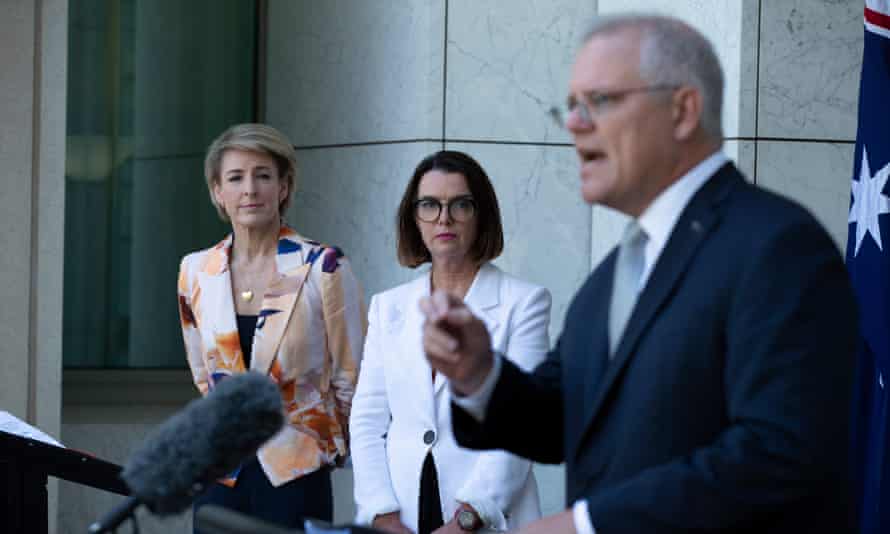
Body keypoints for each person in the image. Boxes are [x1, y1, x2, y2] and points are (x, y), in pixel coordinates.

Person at [420, 14, 859, 534]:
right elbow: (561, 417)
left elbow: (780, 453)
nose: (576, 124)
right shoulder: (615, 273)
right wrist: (478, 374)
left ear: (682, 110)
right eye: (573, 107)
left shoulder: (777, 246)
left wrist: (588, 525)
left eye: (600, 101)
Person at [177, 123, 366, 531]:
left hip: (295, 472)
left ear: (283, 187)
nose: (250, 189)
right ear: (217, 192)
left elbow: (352, 376)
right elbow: (203, 374)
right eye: (235, 178)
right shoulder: (195, 270)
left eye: (263, 175)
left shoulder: (324, 266)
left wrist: (325, 447)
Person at [350, 150, 551, 534]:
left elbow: (521, 424)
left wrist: (469, 517)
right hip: (401, 512)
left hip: (485, 515)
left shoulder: (524, 302)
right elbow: (367, 421)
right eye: (430, 205)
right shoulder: (387, 307)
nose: (444, 218)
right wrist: (381, 513)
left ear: (481, 216)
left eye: (460, 204)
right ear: (414, 217)